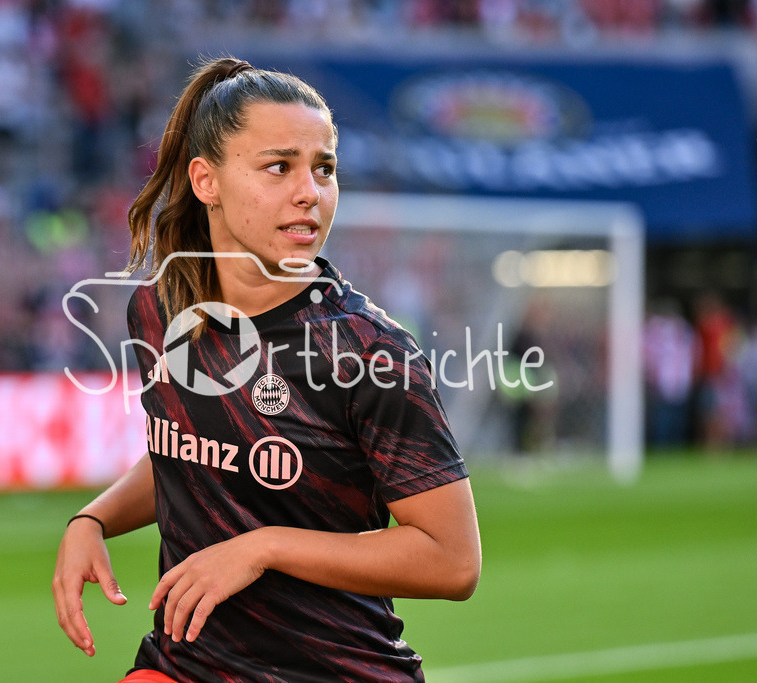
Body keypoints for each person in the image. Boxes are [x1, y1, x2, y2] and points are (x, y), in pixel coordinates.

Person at [52, 56, 481, 682]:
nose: (310, 191)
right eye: (279, 167)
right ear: (206, 181)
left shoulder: (370, 355)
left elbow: (452, 561)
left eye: (324, 168)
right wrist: (93, 519)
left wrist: (266, 547)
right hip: (186, 666)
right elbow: (193, 448)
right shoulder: (158, 311)